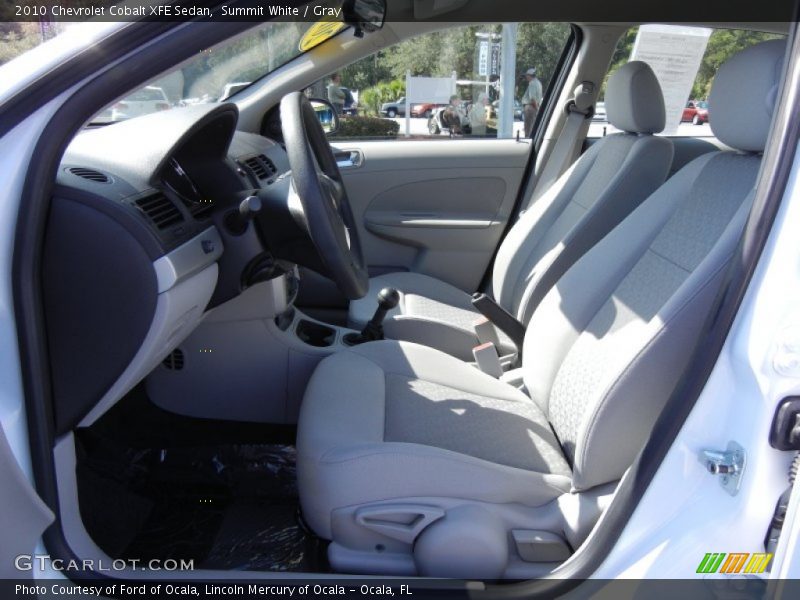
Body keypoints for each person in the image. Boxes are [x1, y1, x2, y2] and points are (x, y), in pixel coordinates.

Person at [521, 67, 543, 137]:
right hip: (534, 107)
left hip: (530, 107)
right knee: (532, 126)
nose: (526, 77)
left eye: (527, 75)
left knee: (528, 127)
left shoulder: (532, 83)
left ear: (530, 75)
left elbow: (532, 98)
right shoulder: (538, 83)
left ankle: (527, 140)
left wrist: (536, 108)